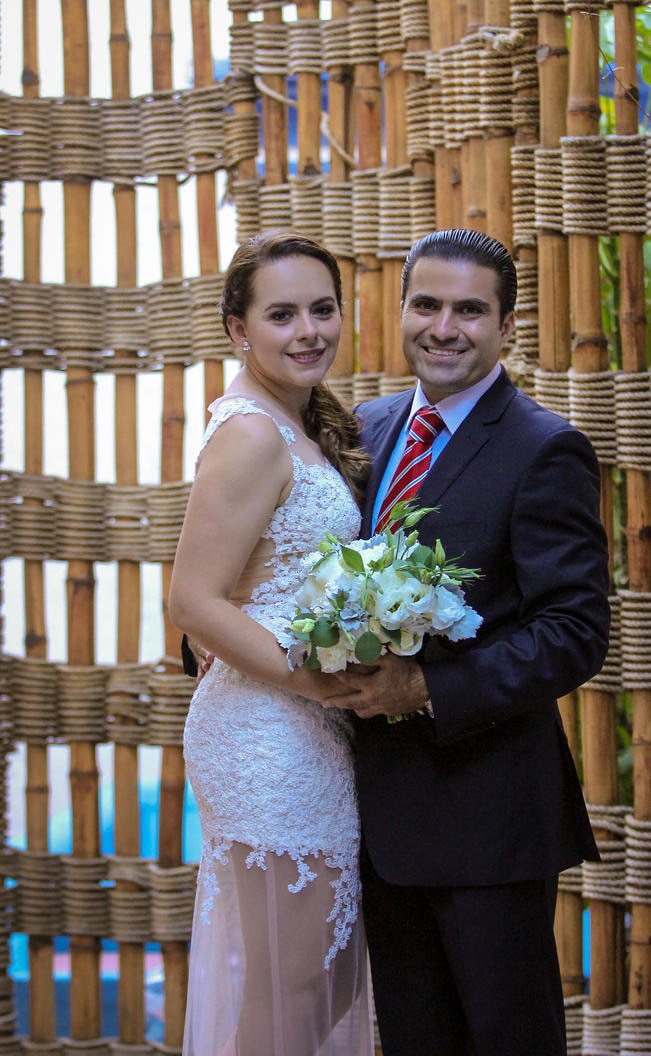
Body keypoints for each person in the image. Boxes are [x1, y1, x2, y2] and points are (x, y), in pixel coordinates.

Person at [327, 228, 610, 1056]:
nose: (443, 328)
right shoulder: (365, 428)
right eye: (426, 305)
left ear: (506, 327)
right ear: (401, 310)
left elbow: (573, 633)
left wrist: (424, 689)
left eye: (469, 311)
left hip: (488, 817)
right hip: (374, 817)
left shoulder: (544, 448)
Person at [169, 231, 374, 1056]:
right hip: (266, 729)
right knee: (293, 985)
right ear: (237, 329)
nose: (308, 332)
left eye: (322, 310)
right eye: (281, 315)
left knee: (326, 978)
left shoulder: (302, 424)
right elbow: (191, 599)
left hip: (309, 723)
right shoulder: (253, 433)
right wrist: (312, 680)